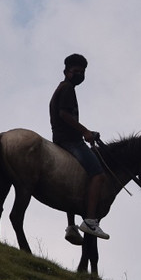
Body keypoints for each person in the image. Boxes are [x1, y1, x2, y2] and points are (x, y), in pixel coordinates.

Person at [49, 53, 110, 240]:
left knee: (75, 178)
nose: (80, 75)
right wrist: (85, 132)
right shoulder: (67, 88)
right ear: (66, 72)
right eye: (76, 71)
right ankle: (91, 221)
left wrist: (89, 133)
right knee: (98, 174)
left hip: (62, 138)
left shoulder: (63, 87)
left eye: (82, 72)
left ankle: (71, 226)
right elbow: (65, 115)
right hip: (70, 141)